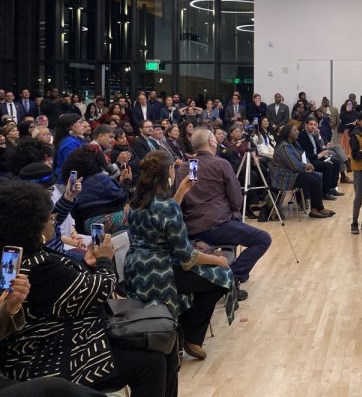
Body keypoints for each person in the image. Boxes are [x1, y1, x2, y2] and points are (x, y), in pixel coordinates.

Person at [0, 182, 178, 396]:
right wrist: (104, 259)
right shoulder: (40, 266)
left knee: (161, 341)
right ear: (35, 225)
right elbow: (99, 290)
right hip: (52, 354)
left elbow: (71, 289)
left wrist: (88, 264)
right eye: (50, 218)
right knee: (152, 360)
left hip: (58, 339)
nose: (52, 222)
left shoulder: (23, 258)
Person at [125, 151, 235, 361]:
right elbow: (186, 256)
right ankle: (191, 335)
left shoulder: (137, 201)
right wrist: (219, 260)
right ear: (168, 172)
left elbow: (159, 220)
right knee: (222, 278)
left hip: (136, 269)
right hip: (162, 272)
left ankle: (186, 332)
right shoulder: (166, 207)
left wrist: (182, 191)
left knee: (206, 276)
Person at [176, 128, 272, 299]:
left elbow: (188, 196)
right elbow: (236, 200)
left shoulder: (189, 166)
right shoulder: (221, 164)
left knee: (232, 229)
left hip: (192, 227)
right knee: (263, 239)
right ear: (212, 142)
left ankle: (228, 272)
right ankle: (231, 278)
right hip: (216, 225)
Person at [0, 273, 108, 396]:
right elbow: (101, 288)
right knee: (56, 389)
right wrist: (104, 260)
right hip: (34, 354)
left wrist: (9, 308)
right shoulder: (41, 267)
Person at [271, 123, 334, 219]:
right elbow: (294, 165)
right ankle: (318, 209)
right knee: (314, 181)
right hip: (284, 176)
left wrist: (308, 164)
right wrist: (306, 166)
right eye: (294, 130)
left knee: (317, 177)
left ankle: (315, 209)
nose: (297, 132)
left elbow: (303, 156)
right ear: (288, 133)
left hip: (293, 172)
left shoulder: (294, 143)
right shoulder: (283, 147)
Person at [297, 117, 345, 200]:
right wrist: (320, 155)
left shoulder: (313, 134)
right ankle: (324, 192)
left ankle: (332, 188)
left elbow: (319, 148)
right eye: (311, 124)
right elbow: (304, 153)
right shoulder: (302, 136)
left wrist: (325, 154)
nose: (313, 127)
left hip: (318, 157)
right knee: (328, 166)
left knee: (336, 161)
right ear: (306, 125)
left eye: (315, 125)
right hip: (310, 160)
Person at [52, 114, 87, 178]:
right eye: (79, 123)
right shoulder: (70, 143)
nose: (83, 125)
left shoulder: (76, 140)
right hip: (66, 183)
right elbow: (73, 167)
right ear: (69, 127)